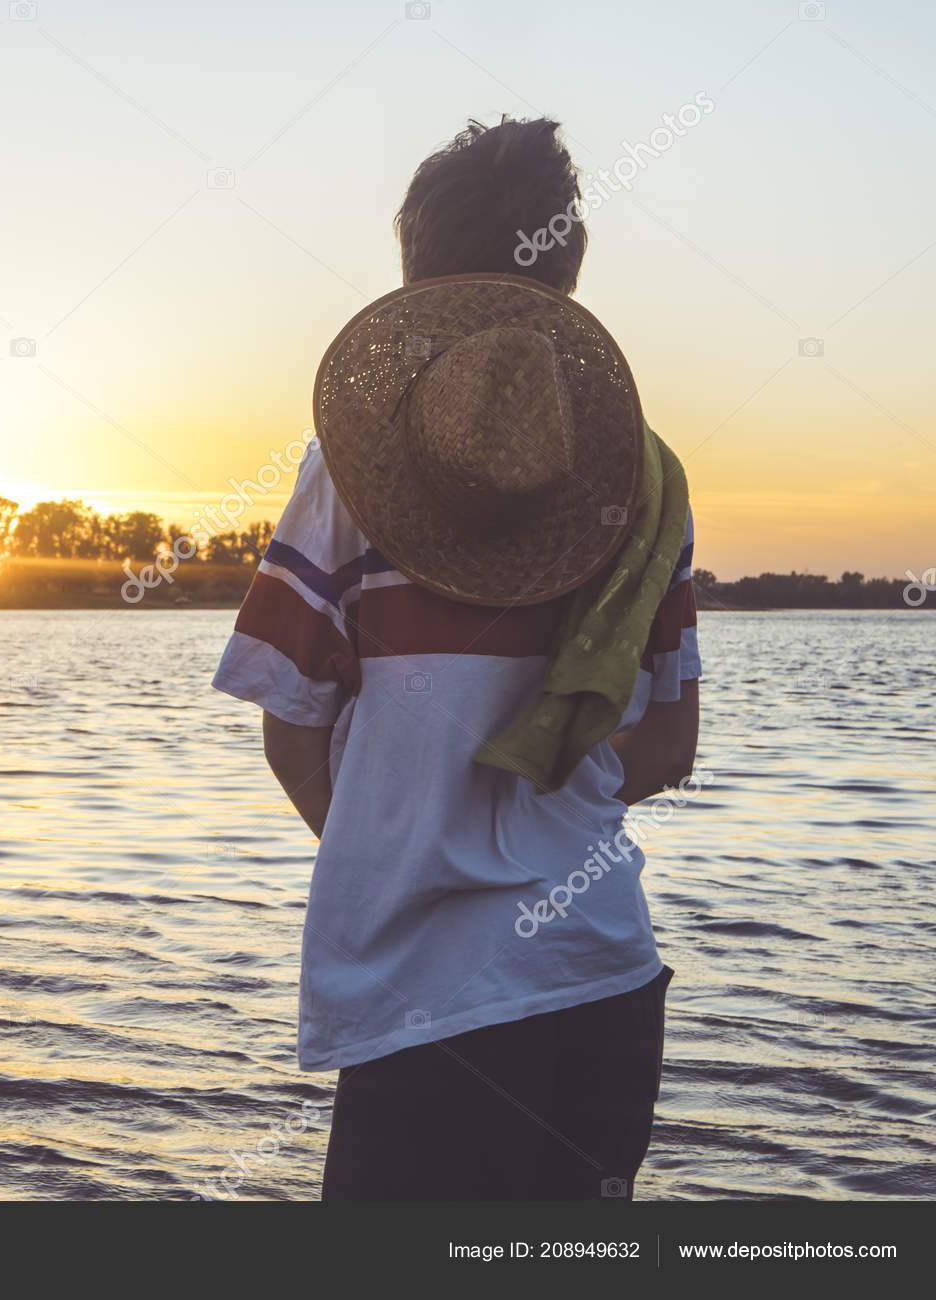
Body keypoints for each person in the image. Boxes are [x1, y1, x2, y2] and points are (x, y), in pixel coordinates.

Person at [211, 116, 701, 1201]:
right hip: (605, 974)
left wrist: (404, 840)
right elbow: (670, 739)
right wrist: (548, 795)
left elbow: (291, 728)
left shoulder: (349, 471)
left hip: (428, 1003)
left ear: (416, 278)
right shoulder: (649, 477)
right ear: (567, 272)